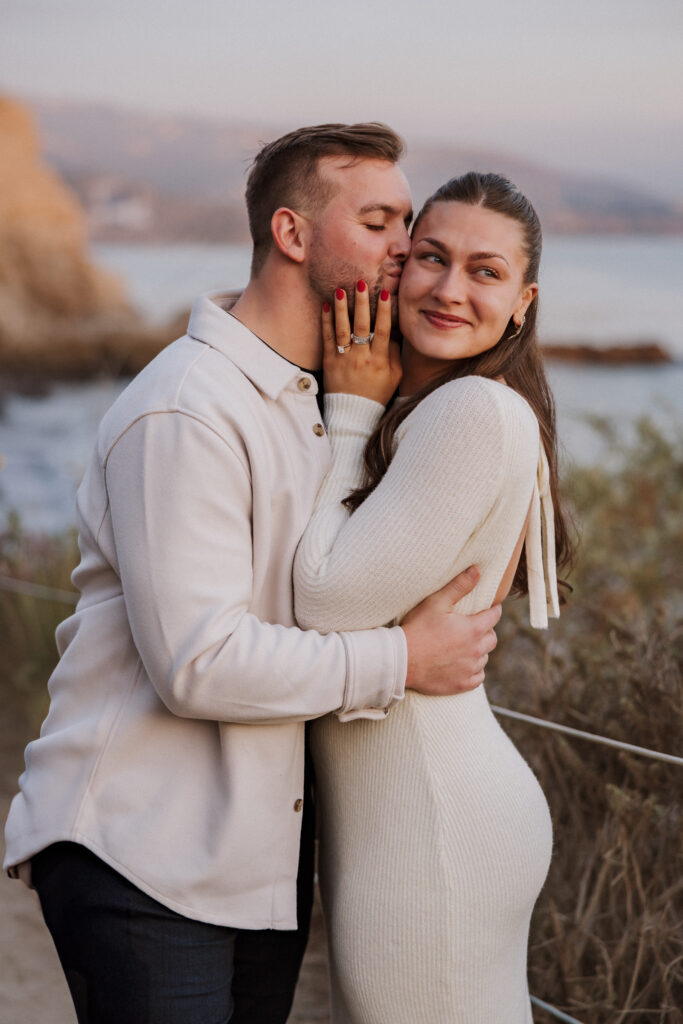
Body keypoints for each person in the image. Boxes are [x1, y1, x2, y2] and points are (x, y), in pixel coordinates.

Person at [3, 126, 502, 1024]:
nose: (405, 246)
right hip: (142, 856)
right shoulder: (186, 410)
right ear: (292, 235)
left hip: (254, 871)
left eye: (405, 220)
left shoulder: (319, 400)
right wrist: (401, 659)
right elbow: (200, 663)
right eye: (380, 220)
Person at [293, 172, 575, 1023]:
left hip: (429, 826)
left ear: (521, 302)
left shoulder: (472, 413)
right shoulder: (428, 408)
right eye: (430, 258)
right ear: (398, 266)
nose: (450, 289)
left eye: (484, 272)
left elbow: (326, 603)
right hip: (408, 816)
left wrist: (346, 411)